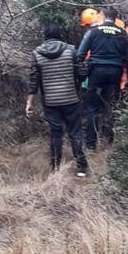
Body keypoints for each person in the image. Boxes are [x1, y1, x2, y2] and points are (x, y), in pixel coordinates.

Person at [26, 24, 90, 176]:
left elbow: (33, 80)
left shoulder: (37, 53)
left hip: (51, 102)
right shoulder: (71, 50)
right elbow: (81, 75)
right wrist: (85, 68)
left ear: (45, 36)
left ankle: (56, 169)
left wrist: (29, 102)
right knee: (75, 133)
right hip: (71, 99)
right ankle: (81, 168)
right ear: (60, 35)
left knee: (56, 134)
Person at [75, 7, 128, 148]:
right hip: (115, 72)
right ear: (116, 18)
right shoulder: (122, 33)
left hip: (96, 71)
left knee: (91, 107)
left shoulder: (93, 32)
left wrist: (80, 72)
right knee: (109, 105)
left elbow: (80, 55)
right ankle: (108, 140)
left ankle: (91, 144)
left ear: (103, 16)